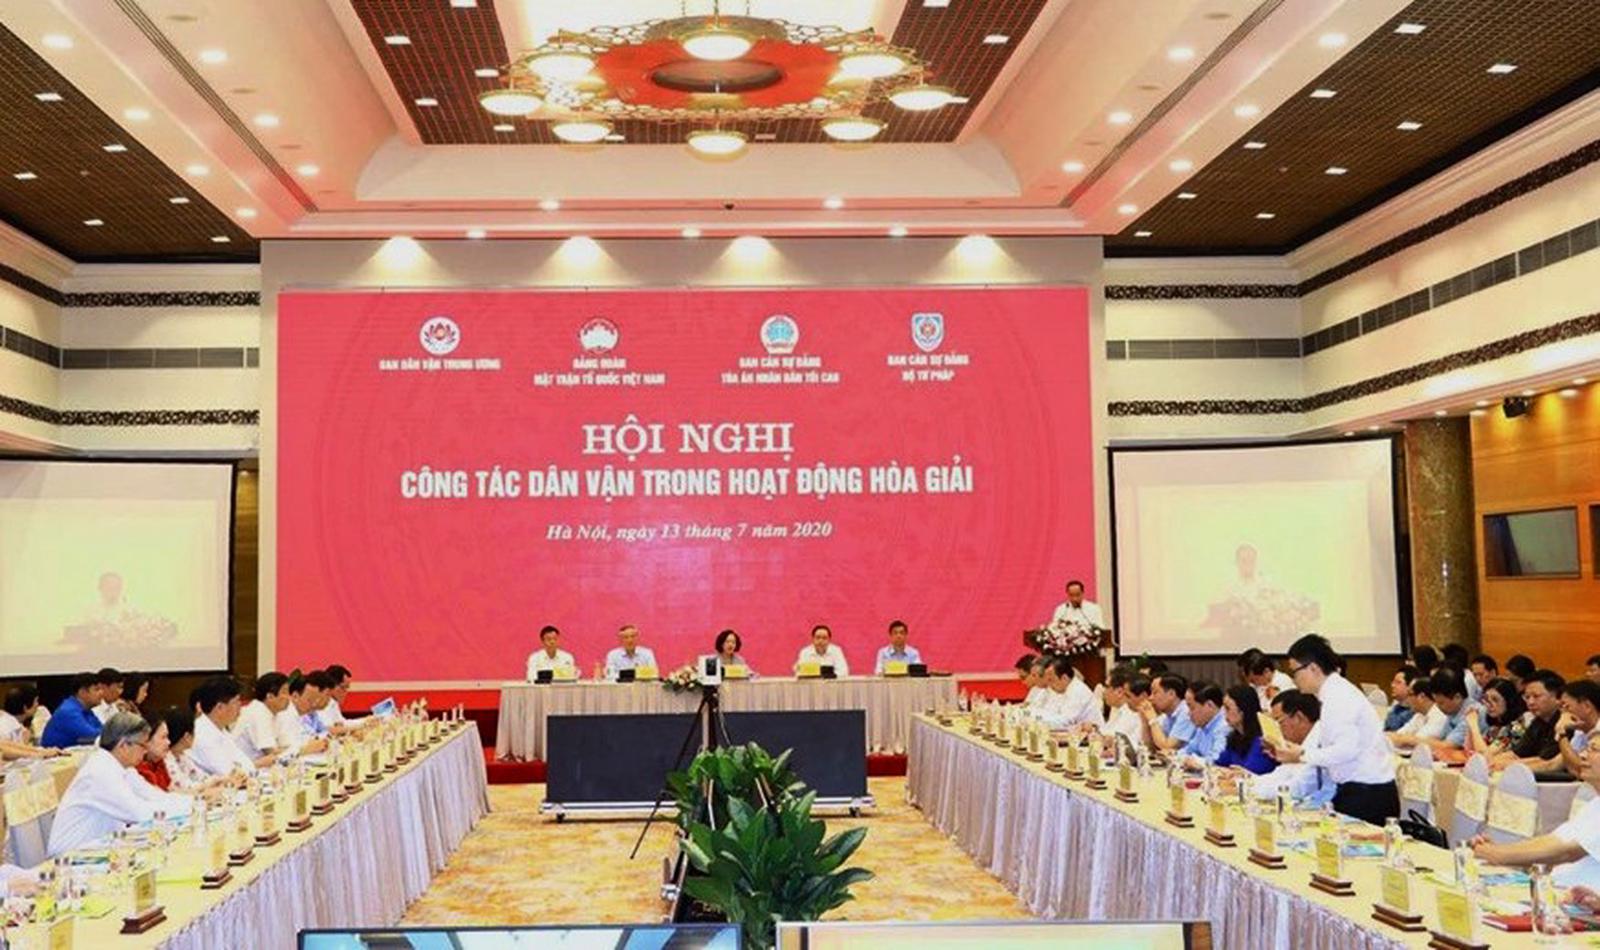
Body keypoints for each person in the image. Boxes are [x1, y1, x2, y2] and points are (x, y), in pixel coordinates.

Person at [1268, 634, 1398, 825]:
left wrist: (1301, 755)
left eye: (1295, 672)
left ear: (1313, 668)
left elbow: (1345, 751)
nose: (1294, 679)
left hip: (1367, 793)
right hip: (1359, 789)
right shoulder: (1334, 693)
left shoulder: (1339, 697)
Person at [47, 713, 191, 857]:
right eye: (143, 745)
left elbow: (153, 795)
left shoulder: (123, 766)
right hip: (71, 857)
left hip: (98, 850)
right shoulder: (100, 771)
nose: (146, 751)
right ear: (123, 745)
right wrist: (190, 806)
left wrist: (194, 802)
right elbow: (138, 813)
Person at [1472, 749, 1600, 893]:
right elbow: (1552, 841)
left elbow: (1565, 852)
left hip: (1577, 901)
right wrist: (1498, 850)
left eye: (1595, 750)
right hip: (1557, 891)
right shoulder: (1595, 804)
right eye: (1587, 749)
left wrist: (1497, 854)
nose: (1582, 755)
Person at [1248, 690, 1333, 805]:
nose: (1277, 729)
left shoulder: (1322, 742)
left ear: (1299, 717)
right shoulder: (1300, 743)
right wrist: (1247, 780)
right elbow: (1281, 775)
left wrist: (1249, 790)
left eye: (1279, 721)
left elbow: (1298, 789)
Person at [188, 676, 255, 776]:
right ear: (220, 707)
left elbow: (248, 766)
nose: (240, 705)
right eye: (236, 701)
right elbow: (229, 773)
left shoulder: (219, 729)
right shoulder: (201, 734)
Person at [1508, 669, 1567, 768]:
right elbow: (1516, 754)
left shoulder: (1565, 723)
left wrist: (1506, 766)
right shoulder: (1538, 721)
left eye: (1536, 696)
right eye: (1527, 697)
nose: (1530, 702)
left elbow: (1545, 761)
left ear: (1558, 697)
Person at [1215, 684, 1274, 774]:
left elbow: (1250, 772)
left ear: (1242, 711)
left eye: (1227, 708)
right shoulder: (1235, 737)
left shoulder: (1263, 740)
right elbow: (1219, 764)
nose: (1223, 713)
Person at [234, 672, 291, 766]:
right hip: (245, 768)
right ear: (270, 697)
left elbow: (286, 744)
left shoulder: (276, 713)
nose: (289, 697)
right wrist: (300, 751)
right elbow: (271, 752)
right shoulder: (257, 712)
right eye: (285, 692)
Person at [1031, 655, 1099, 729]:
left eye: (1051, 680)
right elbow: (1050, 711)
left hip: (1094, 734)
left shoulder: (1078, 691)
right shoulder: (1061, 689)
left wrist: (1036, 718)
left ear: (1064, 678)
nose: (1049, 685)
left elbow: (1064, 722)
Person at [40, 673, 105, 748]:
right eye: (96, 689)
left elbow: (103, 730)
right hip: (55, 754)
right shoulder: (68, 712)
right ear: (82, 692)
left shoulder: (86, 710)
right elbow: (92, 735)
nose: (101, 693)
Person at [1465, 677, 1526, 757]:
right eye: (1486, 699)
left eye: (1495, 700)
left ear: (1509, 701)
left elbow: (1484, 756)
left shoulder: (1516, 728)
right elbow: (1469, 751)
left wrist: (1474, 726)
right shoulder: (1494, 728)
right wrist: (1470, 726)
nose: (1489, 705)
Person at [277, 670, 333, 755]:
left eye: (316, 700)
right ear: (295, 696)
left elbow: (308, 736)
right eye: (310, 700)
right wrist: (311, 746)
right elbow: (287, 749)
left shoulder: (300, 715)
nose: (314, 704)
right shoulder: (285, 714)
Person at [1426, 667, 1483, 751]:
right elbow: (1441, 738)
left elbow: (1447, 746)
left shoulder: (1472, 712)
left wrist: (1412, 740)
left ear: (1457, 697)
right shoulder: (1454, 711)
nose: (1438, 707)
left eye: (1441, 703)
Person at [1179, 681, 1231, 765]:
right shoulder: (1203, 724)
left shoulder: (1224, 726)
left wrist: (1194, 761)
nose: (1188, 713)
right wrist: (1176, 755)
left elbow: (1217, 760)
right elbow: (1189, 749)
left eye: (1192, 708)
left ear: (1209, 705)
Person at [1140, 673, 1195, 753]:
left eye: (1155, 692)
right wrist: (1145, 722)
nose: (1150, 698)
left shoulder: (1186, 712)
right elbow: (1150, 747)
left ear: (1171, 694)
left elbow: (1167, 746)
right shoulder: (1168, 716)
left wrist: (1152, 719)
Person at [1389, 675, 1448, 749]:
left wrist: (1404, 739)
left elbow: (1415, 742)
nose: (1407, 699)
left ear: (1421, 697)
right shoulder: (1420, 715)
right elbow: (1399, 734)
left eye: (1410, 694)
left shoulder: (1439, 716)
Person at [1558, 680, 1600, 779]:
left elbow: (1581, 770)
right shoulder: (1579, 732)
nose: (1563, 713)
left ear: (1587, 706)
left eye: (1567, 706)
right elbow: (1567, 766)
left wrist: (1561, 733)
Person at [1101, 667, 1149, 749]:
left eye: (1106, 686)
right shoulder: (1118, 709)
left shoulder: (1134, 712)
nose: (1104, 691)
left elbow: (1136, 745)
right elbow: (1105, 733)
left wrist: (1111, 740)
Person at [318, 664, 368, 733]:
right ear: (331, 685)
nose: (345, 692)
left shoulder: (333, 702)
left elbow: (342, 723)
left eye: (347, 688)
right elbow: (329, 729)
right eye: (343, 687)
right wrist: (364, 723)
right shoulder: (321, 703)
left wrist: (365, 720)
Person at [1383, 665, 1419, 732]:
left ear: (1410, 686)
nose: (1392, 685)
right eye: (1393, 682)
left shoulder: (1415, 713)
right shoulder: (1395, 708)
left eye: (1398, 682)